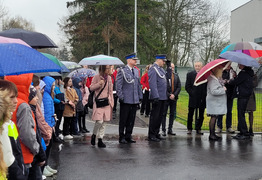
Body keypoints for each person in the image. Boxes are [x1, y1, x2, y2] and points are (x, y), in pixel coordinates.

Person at [5, 74, 41, 179]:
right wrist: (36, 149)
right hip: (23, 155)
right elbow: (27, 134)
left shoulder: (8, 104)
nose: (31, 89)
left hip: (12, 156)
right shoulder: (23, 106)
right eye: (29, 85)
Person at [0, 79, 27, 180]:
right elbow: (9, 161)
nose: (16, 101)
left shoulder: (9, 122)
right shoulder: (3, 125)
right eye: (11, 97)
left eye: (16, 96)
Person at [116, 53, 143, 144]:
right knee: (123, 119)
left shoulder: (136, 71)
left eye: (135, 59)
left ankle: (128, 135)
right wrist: (121, 96)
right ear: (128, 60)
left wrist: (140, 96)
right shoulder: (122, 70)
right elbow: (118, 85)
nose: (135, 61)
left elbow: (138, 85)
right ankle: (121, 136)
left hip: (134, 99)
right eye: (133, 59)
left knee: (131, 119)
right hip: (126, 99)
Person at [90, 65, 114, 148]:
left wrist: (112, 102)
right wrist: (99, 84)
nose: (109, 70)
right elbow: (91, 88)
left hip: (107, 102)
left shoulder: (109, 78)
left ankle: (100, 139)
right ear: (103, 69)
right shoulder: (96, 77)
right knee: (99, 121)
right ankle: (94, 134)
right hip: (99, 102)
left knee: (104, 122)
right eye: (107, 68)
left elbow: (110, 91)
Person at [229, 64, 254, 140]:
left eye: (240, 64)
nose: (238, 65)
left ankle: (245, 133)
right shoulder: (248, 73)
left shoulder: (243, 73)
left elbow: (236, 82)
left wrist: (230, 81)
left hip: (242, 95)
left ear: (243, 65)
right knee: (241, 114)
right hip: (245, 95)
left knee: (241, 114)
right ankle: (242, 132)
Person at [147, 54, 168, 142]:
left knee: (160, 116)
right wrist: (155, 96)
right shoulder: (153, 69)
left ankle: (156, 132)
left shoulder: (161, 70)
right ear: (158, 60)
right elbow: (153, 84)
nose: (164, 63)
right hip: (157, 97)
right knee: (154, 117)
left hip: (163, 97)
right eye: (163, 61)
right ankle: (151, 134)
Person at [42, 76, 58, 177]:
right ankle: (44, 166)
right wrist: (50, 126)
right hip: (48, 126)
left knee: (49, 146)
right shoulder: (46, 97)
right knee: (47, 147)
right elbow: (47, 113)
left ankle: (46, 165)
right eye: (52, 85)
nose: (54, 87)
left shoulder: (47, 95)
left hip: (50, 124)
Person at [185, 61, 207, 135]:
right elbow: (187, 86)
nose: (197, 67)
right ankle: (189, 128)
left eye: (199, 66)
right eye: (196, 66)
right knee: (190, 114)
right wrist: (192, 93)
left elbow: (206, 87)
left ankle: (198, 128)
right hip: (193, 98)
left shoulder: (204, 75)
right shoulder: (190, 74)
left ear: (202, 66)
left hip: (202, 98)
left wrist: (204, 95)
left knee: (201, 114)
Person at [206, 66, 227, 141]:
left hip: (214, 102)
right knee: (213, 117)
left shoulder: (214, 80)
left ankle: (213, 134)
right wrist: (223, 90)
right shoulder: (213, 80)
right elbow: (214, 91)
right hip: (213, 102)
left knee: (214, 117)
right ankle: (211, 135)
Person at [161, 63, 181, 136]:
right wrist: (169, 95)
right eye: (170, 67)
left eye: (173, 67)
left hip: (174, 98)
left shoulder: (176, 76)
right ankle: (163, 129)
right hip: (166, 98)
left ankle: (170, 129)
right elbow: (162, 87)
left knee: (172, 114)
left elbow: (179, 86)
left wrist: (174, 95)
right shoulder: (164, 75)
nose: (172, 69)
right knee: (164, 114)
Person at [216, 64, 236, 134]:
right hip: (222, 94)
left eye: (229, 64)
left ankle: (229, 126)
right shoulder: (221, 72)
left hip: (230, 95)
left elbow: (235, 82)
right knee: (220, 111)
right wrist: (226, 81)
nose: (228, 66)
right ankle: (219, 126)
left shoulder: (233, 72)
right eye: (227, 64)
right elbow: (219, 81)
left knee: (229, 111)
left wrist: (231, 80)